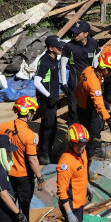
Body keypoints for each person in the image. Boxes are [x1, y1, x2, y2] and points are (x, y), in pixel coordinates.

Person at [0, 96, 45, 222]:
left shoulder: (2, 127)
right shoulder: (29, 135)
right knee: (24, 208)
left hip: (6, 173)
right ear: (28, 113)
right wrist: (40, 177)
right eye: (32, 112)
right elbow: (32, 160)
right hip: (23, 177)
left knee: (9, 206)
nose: (33, 115)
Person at [56, 123, 90, 222]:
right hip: (71, 205)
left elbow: (82, 173)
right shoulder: (65, 162)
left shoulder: (82, 153)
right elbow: (62, 191)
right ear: (70, 142)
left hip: (79, 202)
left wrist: (88, 185)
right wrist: (69, 212)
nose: (81, 147)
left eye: (83, 144)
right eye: (78, 145)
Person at [75, 52, 111, 159]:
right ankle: (92, 153)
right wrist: (110, 122)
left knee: (91, 128)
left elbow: (79, 90)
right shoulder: (94, 83)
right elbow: (99, 105)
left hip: (82, 103)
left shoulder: (88, 69)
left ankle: (91, 149)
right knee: (94, 130)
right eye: (110, 71)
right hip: (88, 108)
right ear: (105, 69)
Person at [60, 21, 100, 125]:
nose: (75, 35)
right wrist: (64, 83)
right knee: (74, 108)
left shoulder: (93, 43)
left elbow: (96, 59)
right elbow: (63, 65)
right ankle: (73, 130)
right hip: (75, 83)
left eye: (78, 33)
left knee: (89, 107)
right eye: (74, 33)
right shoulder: (69, 46)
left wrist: (99, 76)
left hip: (90, 82)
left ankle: (86, 131)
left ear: (86, 34)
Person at [34, 35, 64, 164]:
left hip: (53, 97)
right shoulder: (45, 61)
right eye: (58, 47)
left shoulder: (54, 58)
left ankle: (49, 151)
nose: (61, 49)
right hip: (46, 100)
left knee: (52, 125)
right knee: (48, 126)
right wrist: (48, 96)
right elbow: (36, 82)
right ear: (51, 48)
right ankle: (43, 154)